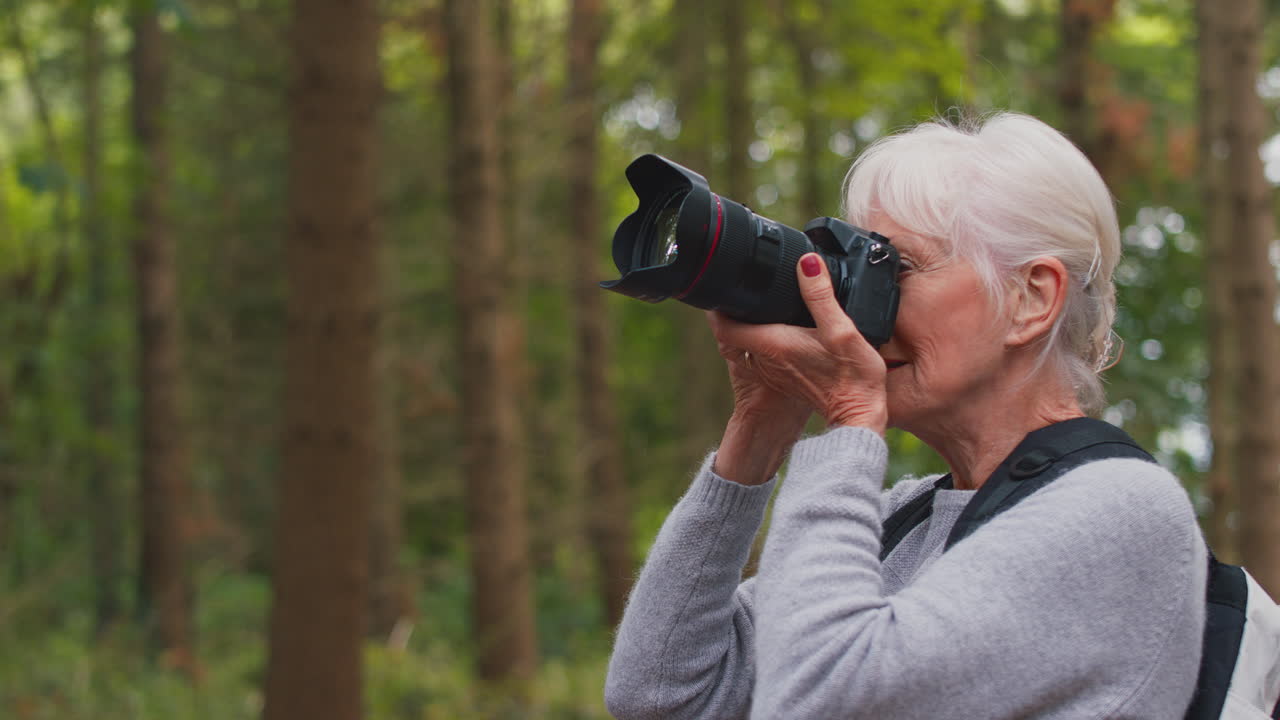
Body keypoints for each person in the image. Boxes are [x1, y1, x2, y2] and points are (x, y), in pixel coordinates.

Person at [604, 113, 1206, 719]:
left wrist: (848, 418)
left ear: (1032, 299)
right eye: (860, 263)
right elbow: (658, 696)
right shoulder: (904, 523)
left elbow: (818, 701)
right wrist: (760, 428)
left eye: (899, 269)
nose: (858, 304)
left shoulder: (1120, 510)